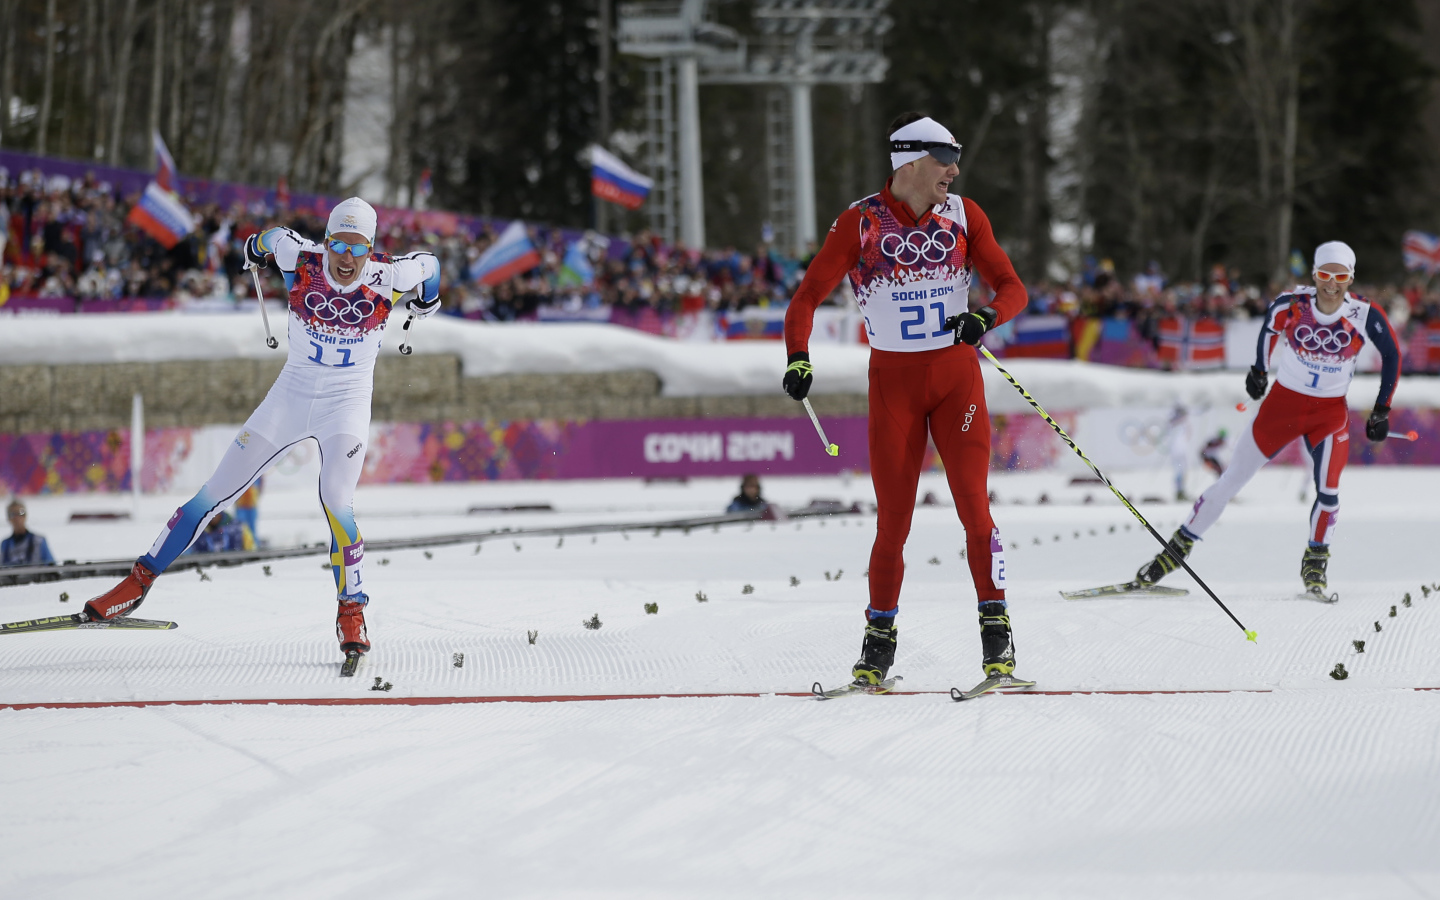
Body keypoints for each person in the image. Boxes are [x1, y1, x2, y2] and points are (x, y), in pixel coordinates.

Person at [78, 198, 441, 662]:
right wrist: (253, 248)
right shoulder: (302, 257)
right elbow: (272, 238)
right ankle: (136, 583)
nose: (347, 258)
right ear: (326, 241)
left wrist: (429, 298)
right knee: (212, 495)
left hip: (345, 405)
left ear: (371, 248)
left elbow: (430, 265)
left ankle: (351, 609)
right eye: (338, 244)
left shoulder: (389, 275)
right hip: (290, 396)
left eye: (358, 247)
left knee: (336, 500)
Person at [782, 112, 1028, 688]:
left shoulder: (965, 215)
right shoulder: (860, 222)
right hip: (892, 386)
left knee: (975, 509)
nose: (955, 169)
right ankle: (877, 648)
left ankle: (998, 643)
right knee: (893, 523)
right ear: (911, 161)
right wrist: (798, 357)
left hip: (956, 382)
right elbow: (805, 299)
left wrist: (986, 316)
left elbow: (1013, 286)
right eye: (946, 158)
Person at [1133, 241, 1400, 599]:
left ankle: (1315, 563)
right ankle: (1173, 554)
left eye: (1340, 276)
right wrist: (1259, 370)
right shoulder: (1293, 305)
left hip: (1329, 413)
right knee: (1230, 481)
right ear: (1314, 275)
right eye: (1324, 274)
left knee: (1330, 491)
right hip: (1282, 409)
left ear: (1351, 277)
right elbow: (1269, 328)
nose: (1331, 284)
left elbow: (1392, 354)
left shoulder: (1364, 313)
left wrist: (1382, 408)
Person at [2, 499, 55, 567]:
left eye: (21, 513)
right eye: (13, 514)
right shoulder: (6, 544)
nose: (17, 518)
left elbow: (51, 566)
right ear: (8, 518)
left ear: (26, 516)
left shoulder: (38, 541)